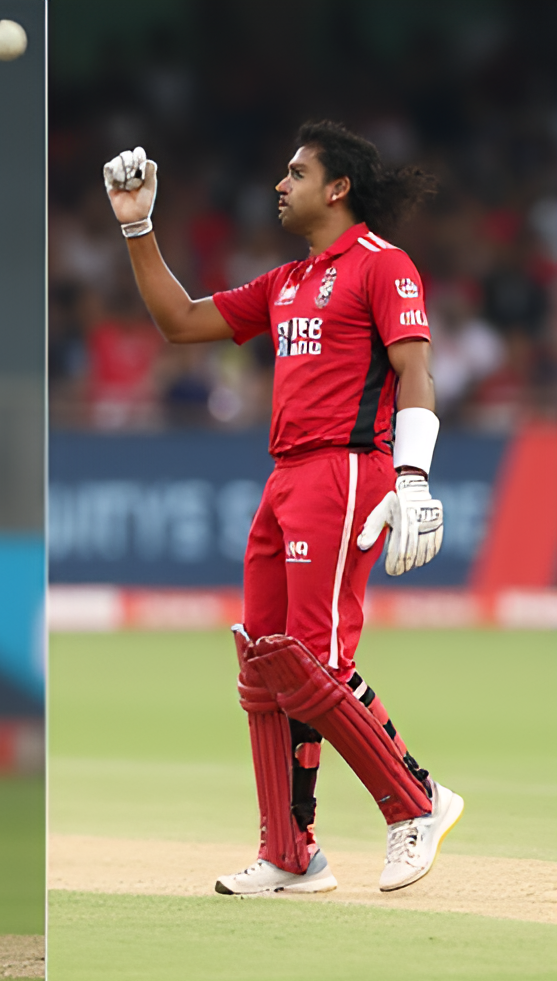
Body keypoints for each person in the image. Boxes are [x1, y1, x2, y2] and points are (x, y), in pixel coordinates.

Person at [102, 122, 463, 895]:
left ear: (337, 189)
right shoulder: (287, 282)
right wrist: (137, 225)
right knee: (266, 662)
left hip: (346, 471)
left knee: (318, 665)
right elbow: (179, 322)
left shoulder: (382, 266)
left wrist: (414, 478)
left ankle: (418, 802)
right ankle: (290, 853)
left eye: (296, 172)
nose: (279, 184)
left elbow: (417, 371)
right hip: (285, 477)